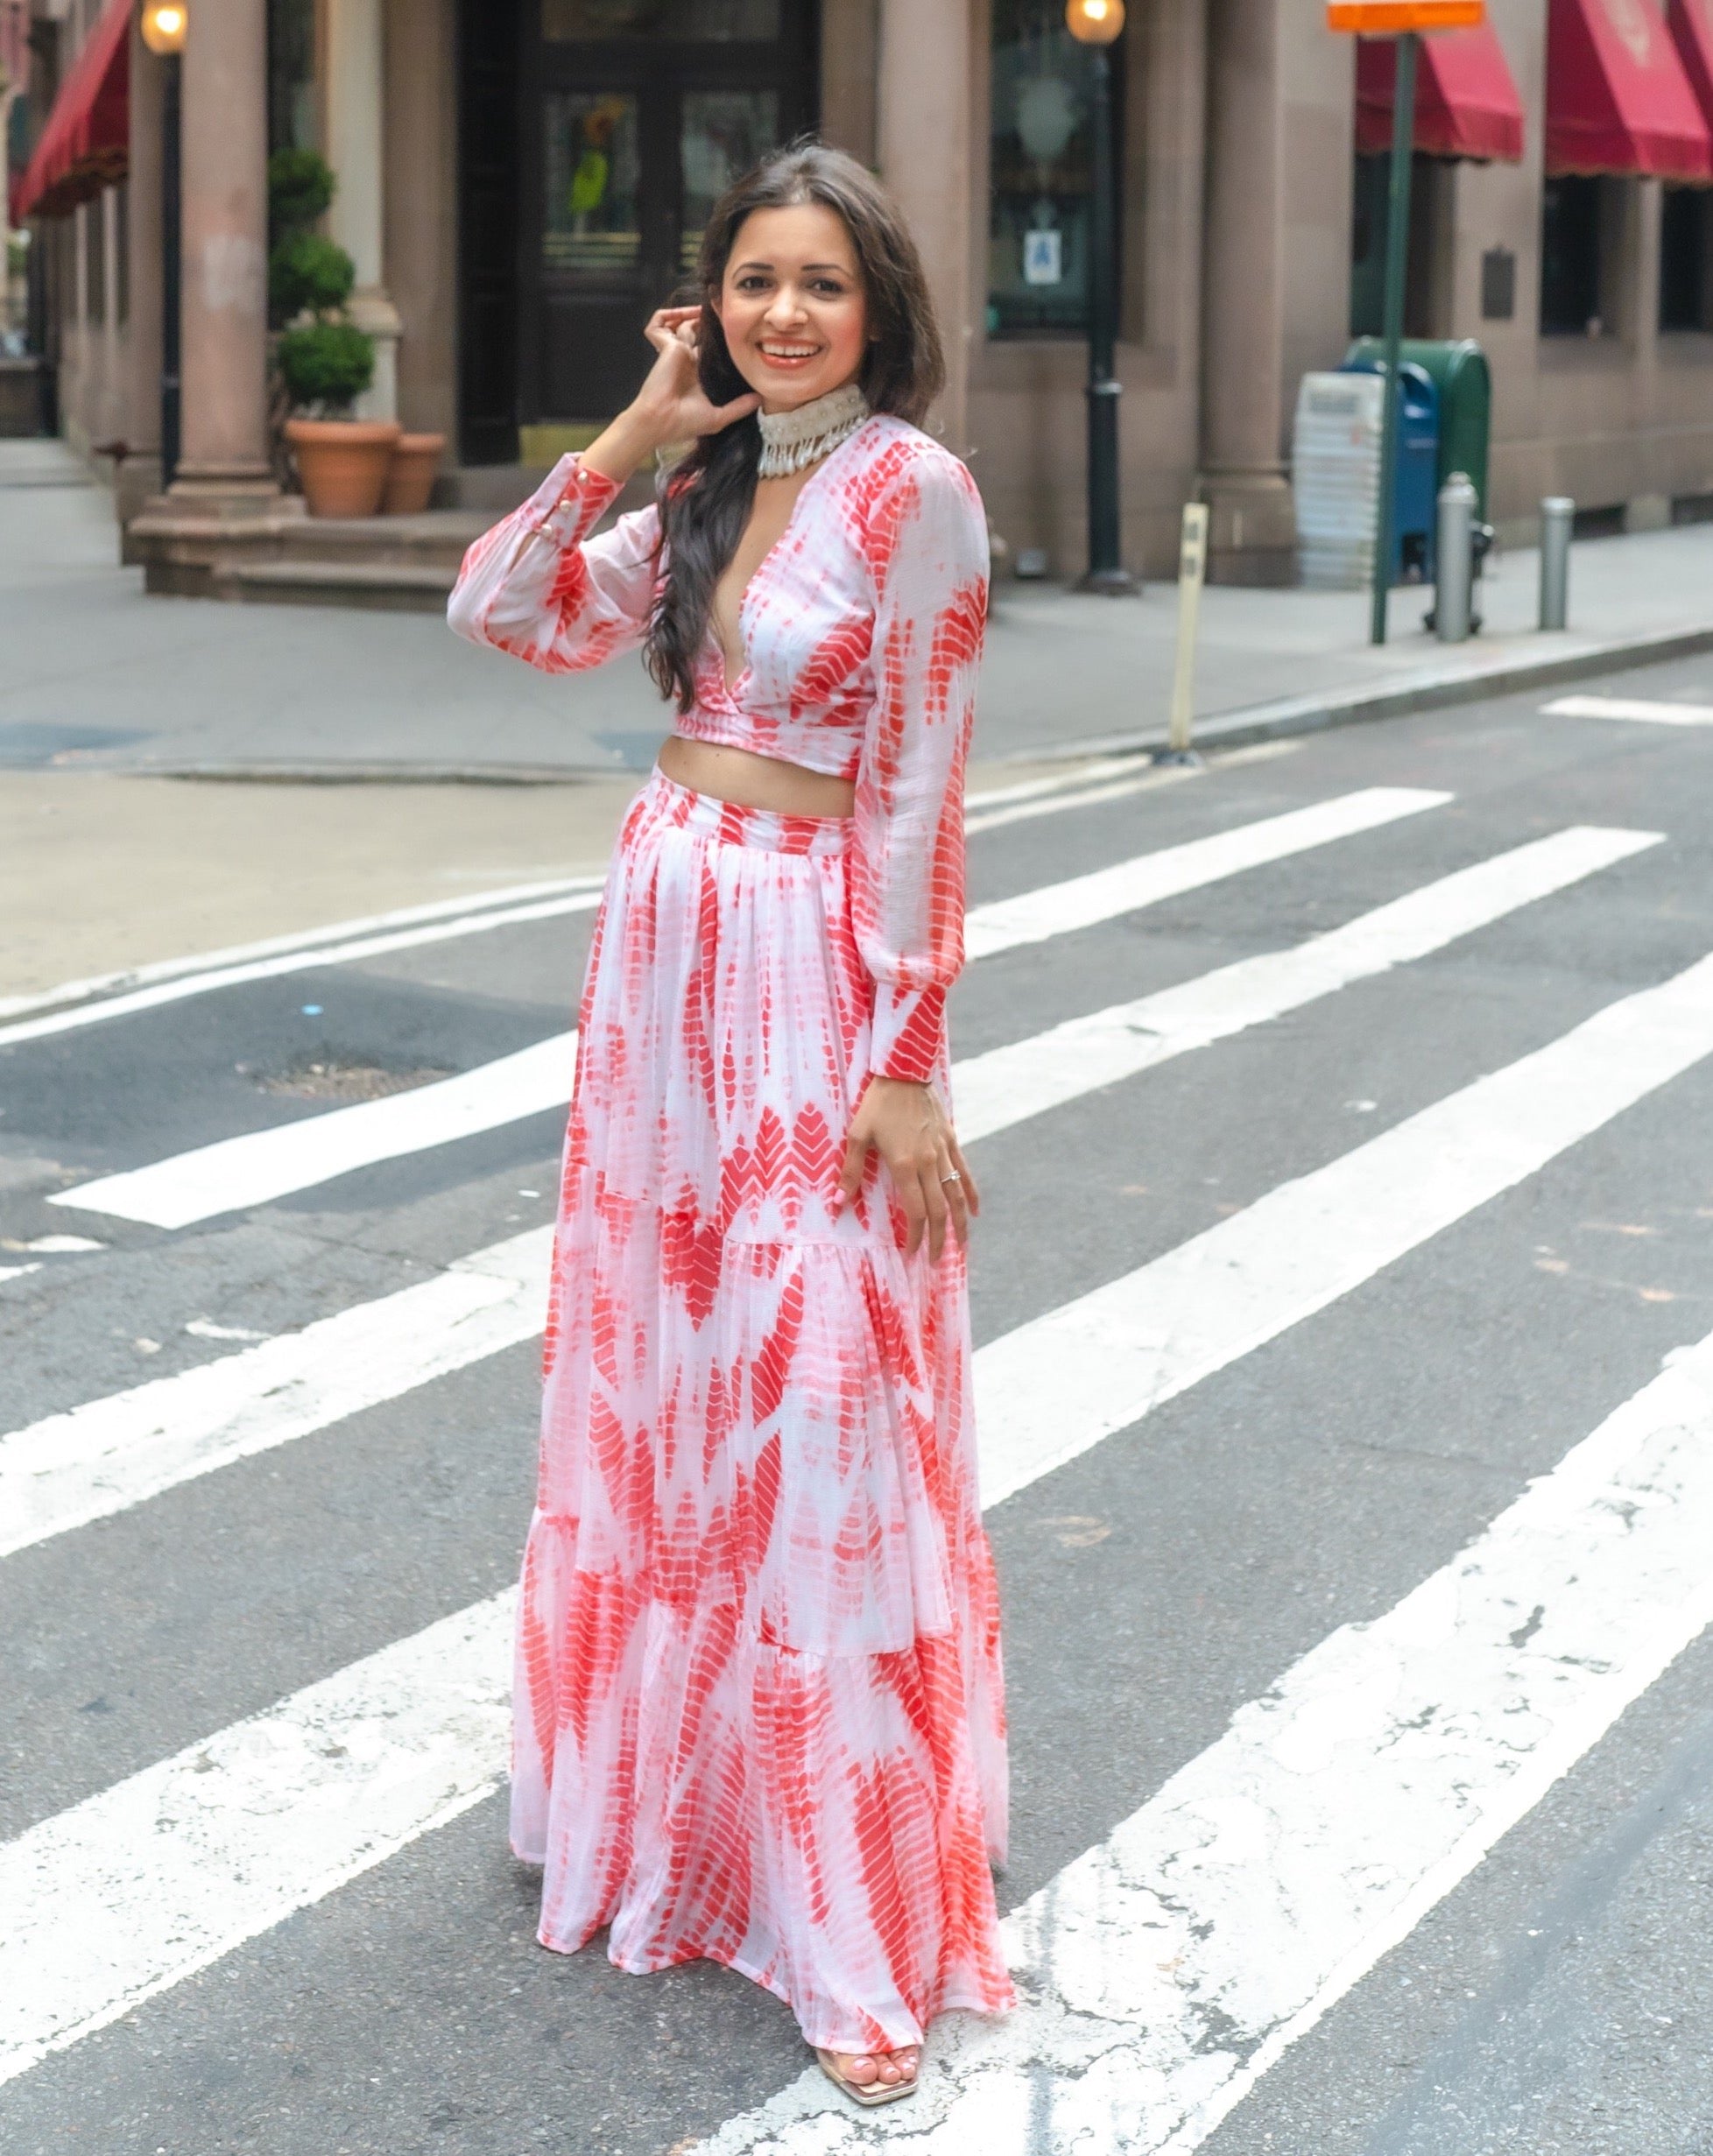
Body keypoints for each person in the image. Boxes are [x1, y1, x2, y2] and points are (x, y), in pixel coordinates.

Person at [448, 139, 1012, 2108]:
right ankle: (678, 1827)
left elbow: (921, 786)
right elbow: (504, 611)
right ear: (715, 301)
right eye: (754, 281)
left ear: (881, 312)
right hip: (664, 949)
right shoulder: (702, 473)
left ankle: (849, 1918)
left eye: (822, 287)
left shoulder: (912, 493)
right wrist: (628, 432)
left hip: (806, 960)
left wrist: (908, 1054)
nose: (784, 314)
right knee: (665, 1384)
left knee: (824, 1392)